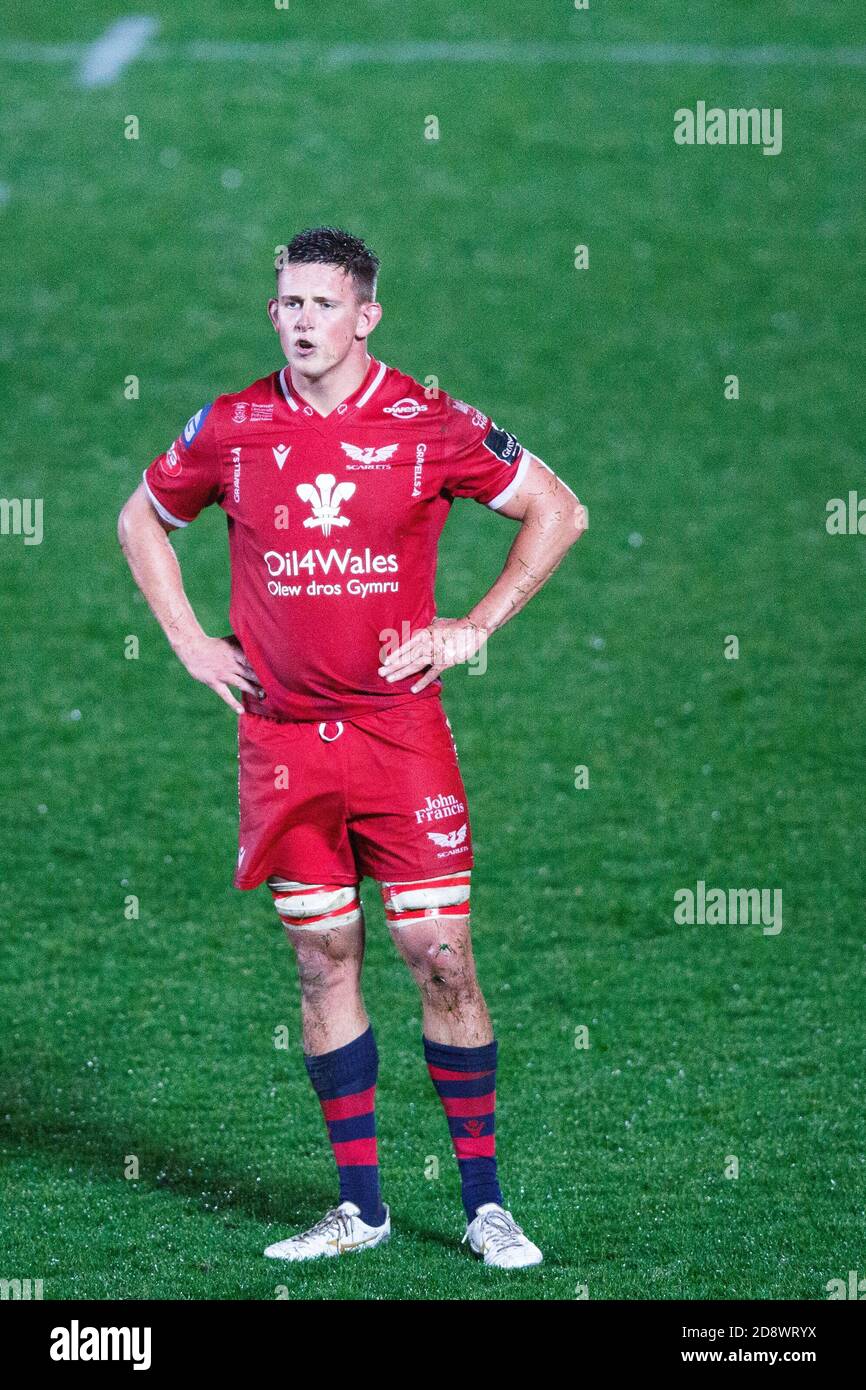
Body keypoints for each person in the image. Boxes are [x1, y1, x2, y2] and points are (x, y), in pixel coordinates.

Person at [118, 227, 587, 1268]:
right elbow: (142, 518)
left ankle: (483, 1202)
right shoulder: (232, 426)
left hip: (396, 734)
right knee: (322, 958)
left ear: (365, 315)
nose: (299, 321)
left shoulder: (427, 422)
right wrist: (191, 641)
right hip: (282, 745)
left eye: (322, 305)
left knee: (441, 957)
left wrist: (475, 623)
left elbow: (557, 508)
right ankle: (360, 1207)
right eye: (286, 303)